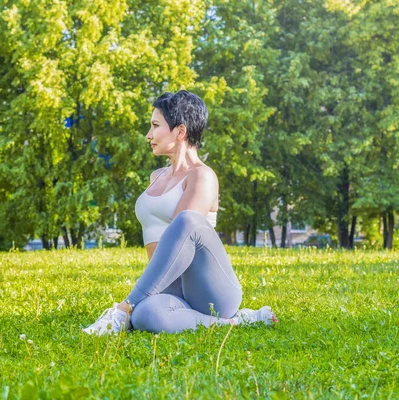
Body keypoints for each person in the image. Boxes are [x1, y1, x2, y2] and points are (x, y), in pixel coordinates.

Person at [82, 90, 276, 335]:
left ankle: (124, 308)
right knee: (146, 315)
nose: (148, 135)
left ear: (180, 132)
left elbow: (182, 234)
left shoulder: (202, 176)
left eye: (155, 126)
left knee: (185, 221)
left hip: (210, 293)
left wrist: (133, 301)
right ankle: (236, 323)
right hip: (169, 290)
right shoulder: (156, 177)